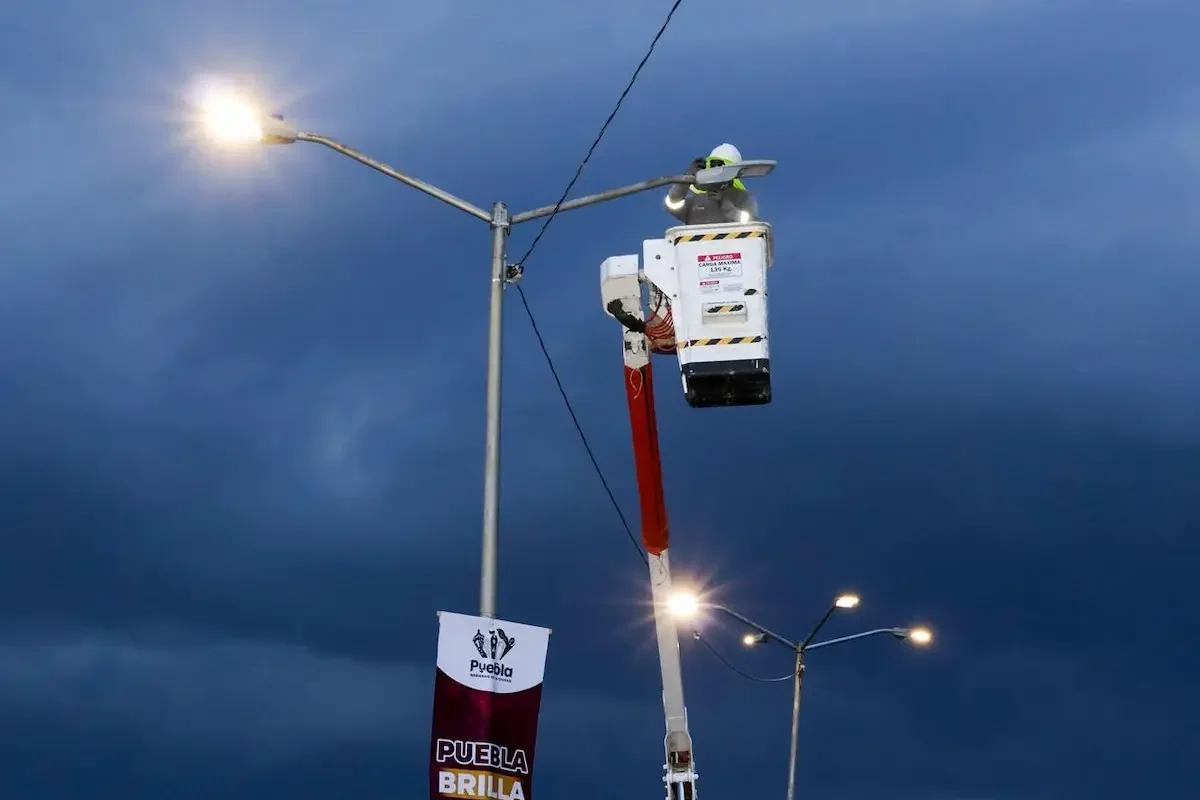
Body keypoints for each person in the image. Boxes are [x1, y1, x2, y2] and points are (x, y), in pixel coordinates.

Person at [664, 142, 759, 225]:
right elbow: (672, 204)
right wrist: (686, 179)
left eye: (720, 165)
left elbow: (751, 225)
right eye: (713, 165)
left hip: (732, 245)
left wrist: (724, 203)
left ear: (733, 170)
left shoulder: (743, 197)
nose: (716, 168)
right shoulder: (696, 199)